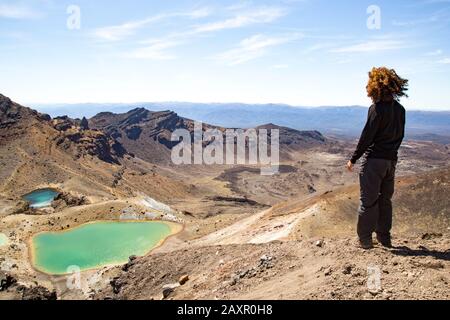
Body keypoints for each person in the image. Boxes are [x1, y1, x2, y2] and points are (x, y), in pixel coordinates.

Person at [347, 67, 408, 249]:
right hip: (391, 162)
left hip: (374, 162)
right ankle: (384, 238)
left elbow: (367, 136)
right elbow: (400, 135)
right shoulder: (400, 109)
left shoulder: (376, 109)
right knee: (385, 201)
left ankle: (365, 241)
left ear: (376, 87)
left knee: (368, 201)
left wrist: (353, 158)